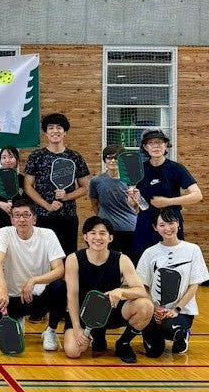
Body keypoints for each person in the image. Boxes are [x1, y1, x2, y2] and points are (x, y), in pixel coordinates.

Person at [63, 216, 155, 364]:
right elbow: (72, 296)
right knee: (73, 351)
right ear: (85, 236)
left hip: (111, 312)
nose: (97, 237)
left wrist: (121, 292)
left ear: (110, 238)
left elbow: (141, 291)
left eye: (102, 233)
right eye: (93, 233)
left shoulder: (121, 259)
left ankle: (123, 343)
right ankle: (96, 335)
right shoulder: (73, 259)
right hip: (84, 314)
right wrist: (77, 328)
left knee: (145, 306)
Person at [0, 199, 67, 352]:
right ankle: (17, 318)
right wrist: (2, 289)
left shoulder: (48, 235)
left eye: (26, 215)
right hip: (14, 297)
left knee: (61, 286)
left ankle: (50, 331)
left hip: (40, 296)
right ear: (12, 220)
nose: (21, 219)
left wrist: (34, 281)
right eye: (17, 215)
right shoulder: (4, 233)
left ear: (34, 219)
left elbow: (59, 270)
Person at [137, 209, 209, 356]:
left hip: (181, 311)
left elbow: (194, 285)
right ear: (155, 227)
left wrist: (176, 310)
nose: (168, 228)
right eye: (162, 225)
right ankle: (153, 338)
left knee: (172, 331)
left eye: (171, 223)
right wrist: (153, 308)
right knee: (154, 353)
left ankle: (182, 334)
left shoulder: (192, 250)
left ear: (178, 224)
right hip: (155, 311)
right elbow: (142, 285)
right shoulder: (149, 252)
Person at [131, 130, 202, 262]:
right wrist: (133, 198)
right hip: (145, 221)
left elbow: (197, 195)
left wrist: (168, 202)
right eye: (151, 143)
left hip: (170, 221)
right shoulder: (139, 169)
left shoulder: (176, 168)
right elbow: (133, 204)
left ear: (165, 146)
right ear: (145, 148)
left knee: (173, 260)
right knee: (142, 260)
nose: (155, 146)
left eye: (159, 142)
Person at [24, 113, 91, 254]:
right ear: (45, 132)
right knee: (42, 256)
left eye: (59, 128)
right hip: (42, 216)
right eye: (51, 128)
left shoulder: (75, 157)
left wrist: (66, 197)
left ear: (65, 132)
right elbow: (28, 186)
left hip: (68, 216)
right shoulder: (36, 156)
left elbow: (85, 187)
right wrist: (47, 206)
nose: (55, 131)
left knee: (67, 256)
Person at [88, 144, 137, 259]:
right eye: (109, 157)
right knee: (108, 262)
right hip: (107, 230)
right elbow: (94, 204)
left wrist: (134, 201)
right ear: (105, 160)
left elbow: (136, 207)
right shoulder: (96, 181)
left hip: (130, 228)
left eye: (117, 158)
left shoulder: (132, 181)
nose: (113, 160)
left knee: (131, 262)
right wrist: (104, 220)